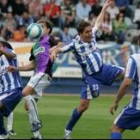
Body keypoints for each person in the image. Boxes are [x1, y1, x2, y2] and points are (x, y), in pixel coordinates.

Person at [50, 0, 125, 139]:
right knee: (83, 106)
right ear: (80, 33)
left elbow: (98, 23)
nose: (91, 33)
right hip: (90, 77)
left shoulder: (93, 34)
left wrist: (104, 8)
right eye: (87, 32)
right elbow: (61, 48)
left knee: (127, 73)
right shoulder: (75, 44)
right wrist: (54, 52)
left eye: (91, 31)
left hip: (104, 69)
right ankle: (67, 131)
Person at [8, 19, 58, 139]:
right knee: (27, 106)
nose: (40, 28)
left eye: (43, 26)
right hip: (37, 75)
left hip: (44, 74)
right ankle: (37, 136)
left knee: (24, 92)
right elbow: (32, 65)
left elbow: (60, 45)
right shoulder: (35, 46)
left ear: (48, 30)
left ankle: (36, 122)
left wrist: (54, 50)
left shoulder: (49, 39)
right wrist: (16, 69)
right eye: (38, 26)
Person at [109, 35, 140, 139]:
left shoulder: (135, 58)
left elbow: (127, 83)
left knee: (116, 129)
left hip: (138, 105)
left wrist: (116, 101)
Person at [0, 41, 23, 139]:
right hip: (3, 92)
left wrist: (2, 49)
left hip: (14, 89)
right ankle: (4, 134)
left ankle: (4, 133)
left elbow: (11, 55)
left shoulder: (8, 53)